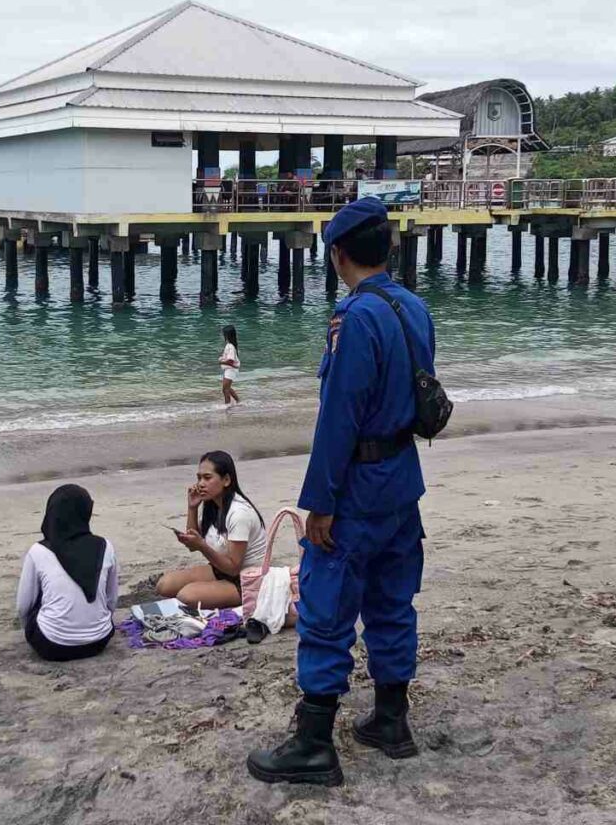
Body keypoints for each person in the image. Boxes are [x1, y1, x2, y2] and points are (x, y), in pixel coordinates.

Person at [247, 196, 435, 787]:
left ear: (338, 253)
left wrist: (319, 502)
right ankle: (390, 720)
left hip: (356, 485)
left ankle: (314, 744)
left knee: (327, 611)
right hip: (402, 479)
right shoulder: (413, 307)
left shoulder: (354, 318)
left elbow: (338, 421)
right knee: (391, 600)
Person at [16, 484, 118, 662]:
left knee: (40, 596)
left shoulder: (38, 551)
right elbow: (111, 600)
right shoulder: (105, 546)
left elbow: (23, 606)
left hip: (52, 646)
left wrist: (30, 629)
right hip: (100, 641)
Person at [156, 451, 266, 609]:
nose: (201, 483)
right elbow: (193, 545)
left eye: (207, 478)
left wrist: (202, 546)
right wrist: (192, 508)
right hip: (221, 569)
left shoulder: (239, 513)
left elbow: (234, 568)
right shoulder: (214, 506)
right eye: (199, 478)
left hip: (246, 579)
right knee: (164, 585)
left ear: (226, 480)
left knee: (186, 596)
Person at [219, 325, 241, 407]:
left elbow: (231, 361)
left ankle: (227, 405)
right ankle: (238, 401)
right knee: (227, 388)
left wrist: (221, 362)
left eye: (223, 334)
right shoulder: (230, 345)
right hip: (229, 369)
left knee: (225, 389)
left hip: (230, 370)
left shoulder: (230, 346)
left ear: (227, 335)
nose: (221, 335)